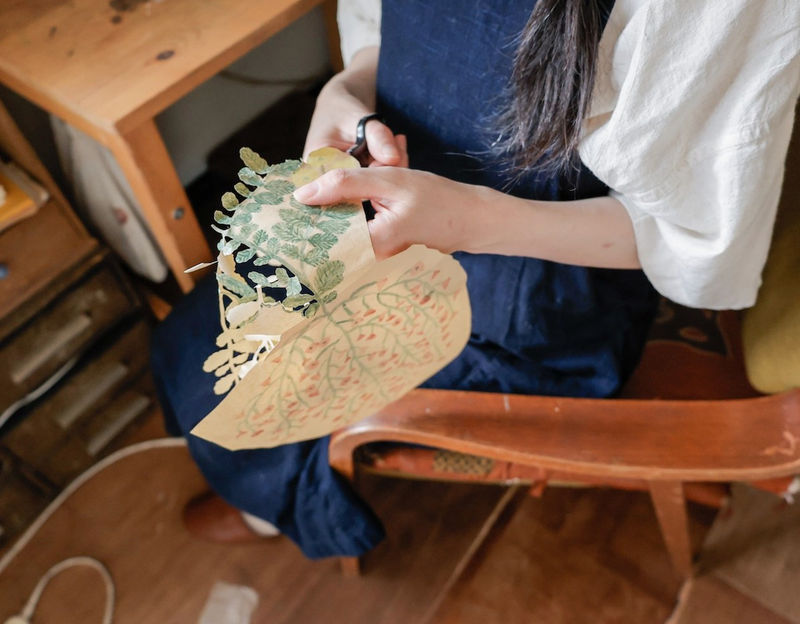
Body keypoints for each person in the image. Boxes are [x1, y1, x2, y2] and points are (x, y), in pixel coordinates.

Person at [150, 0, 800, 558]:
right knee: (201, 333)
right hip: (400, 204)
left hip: (540, 289)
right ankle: (253, 475)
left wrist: (474, 222)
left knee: (245, 401)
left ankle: (269, 501)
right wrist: (346, 90)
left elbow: (690, 238)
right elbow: (382, 27)